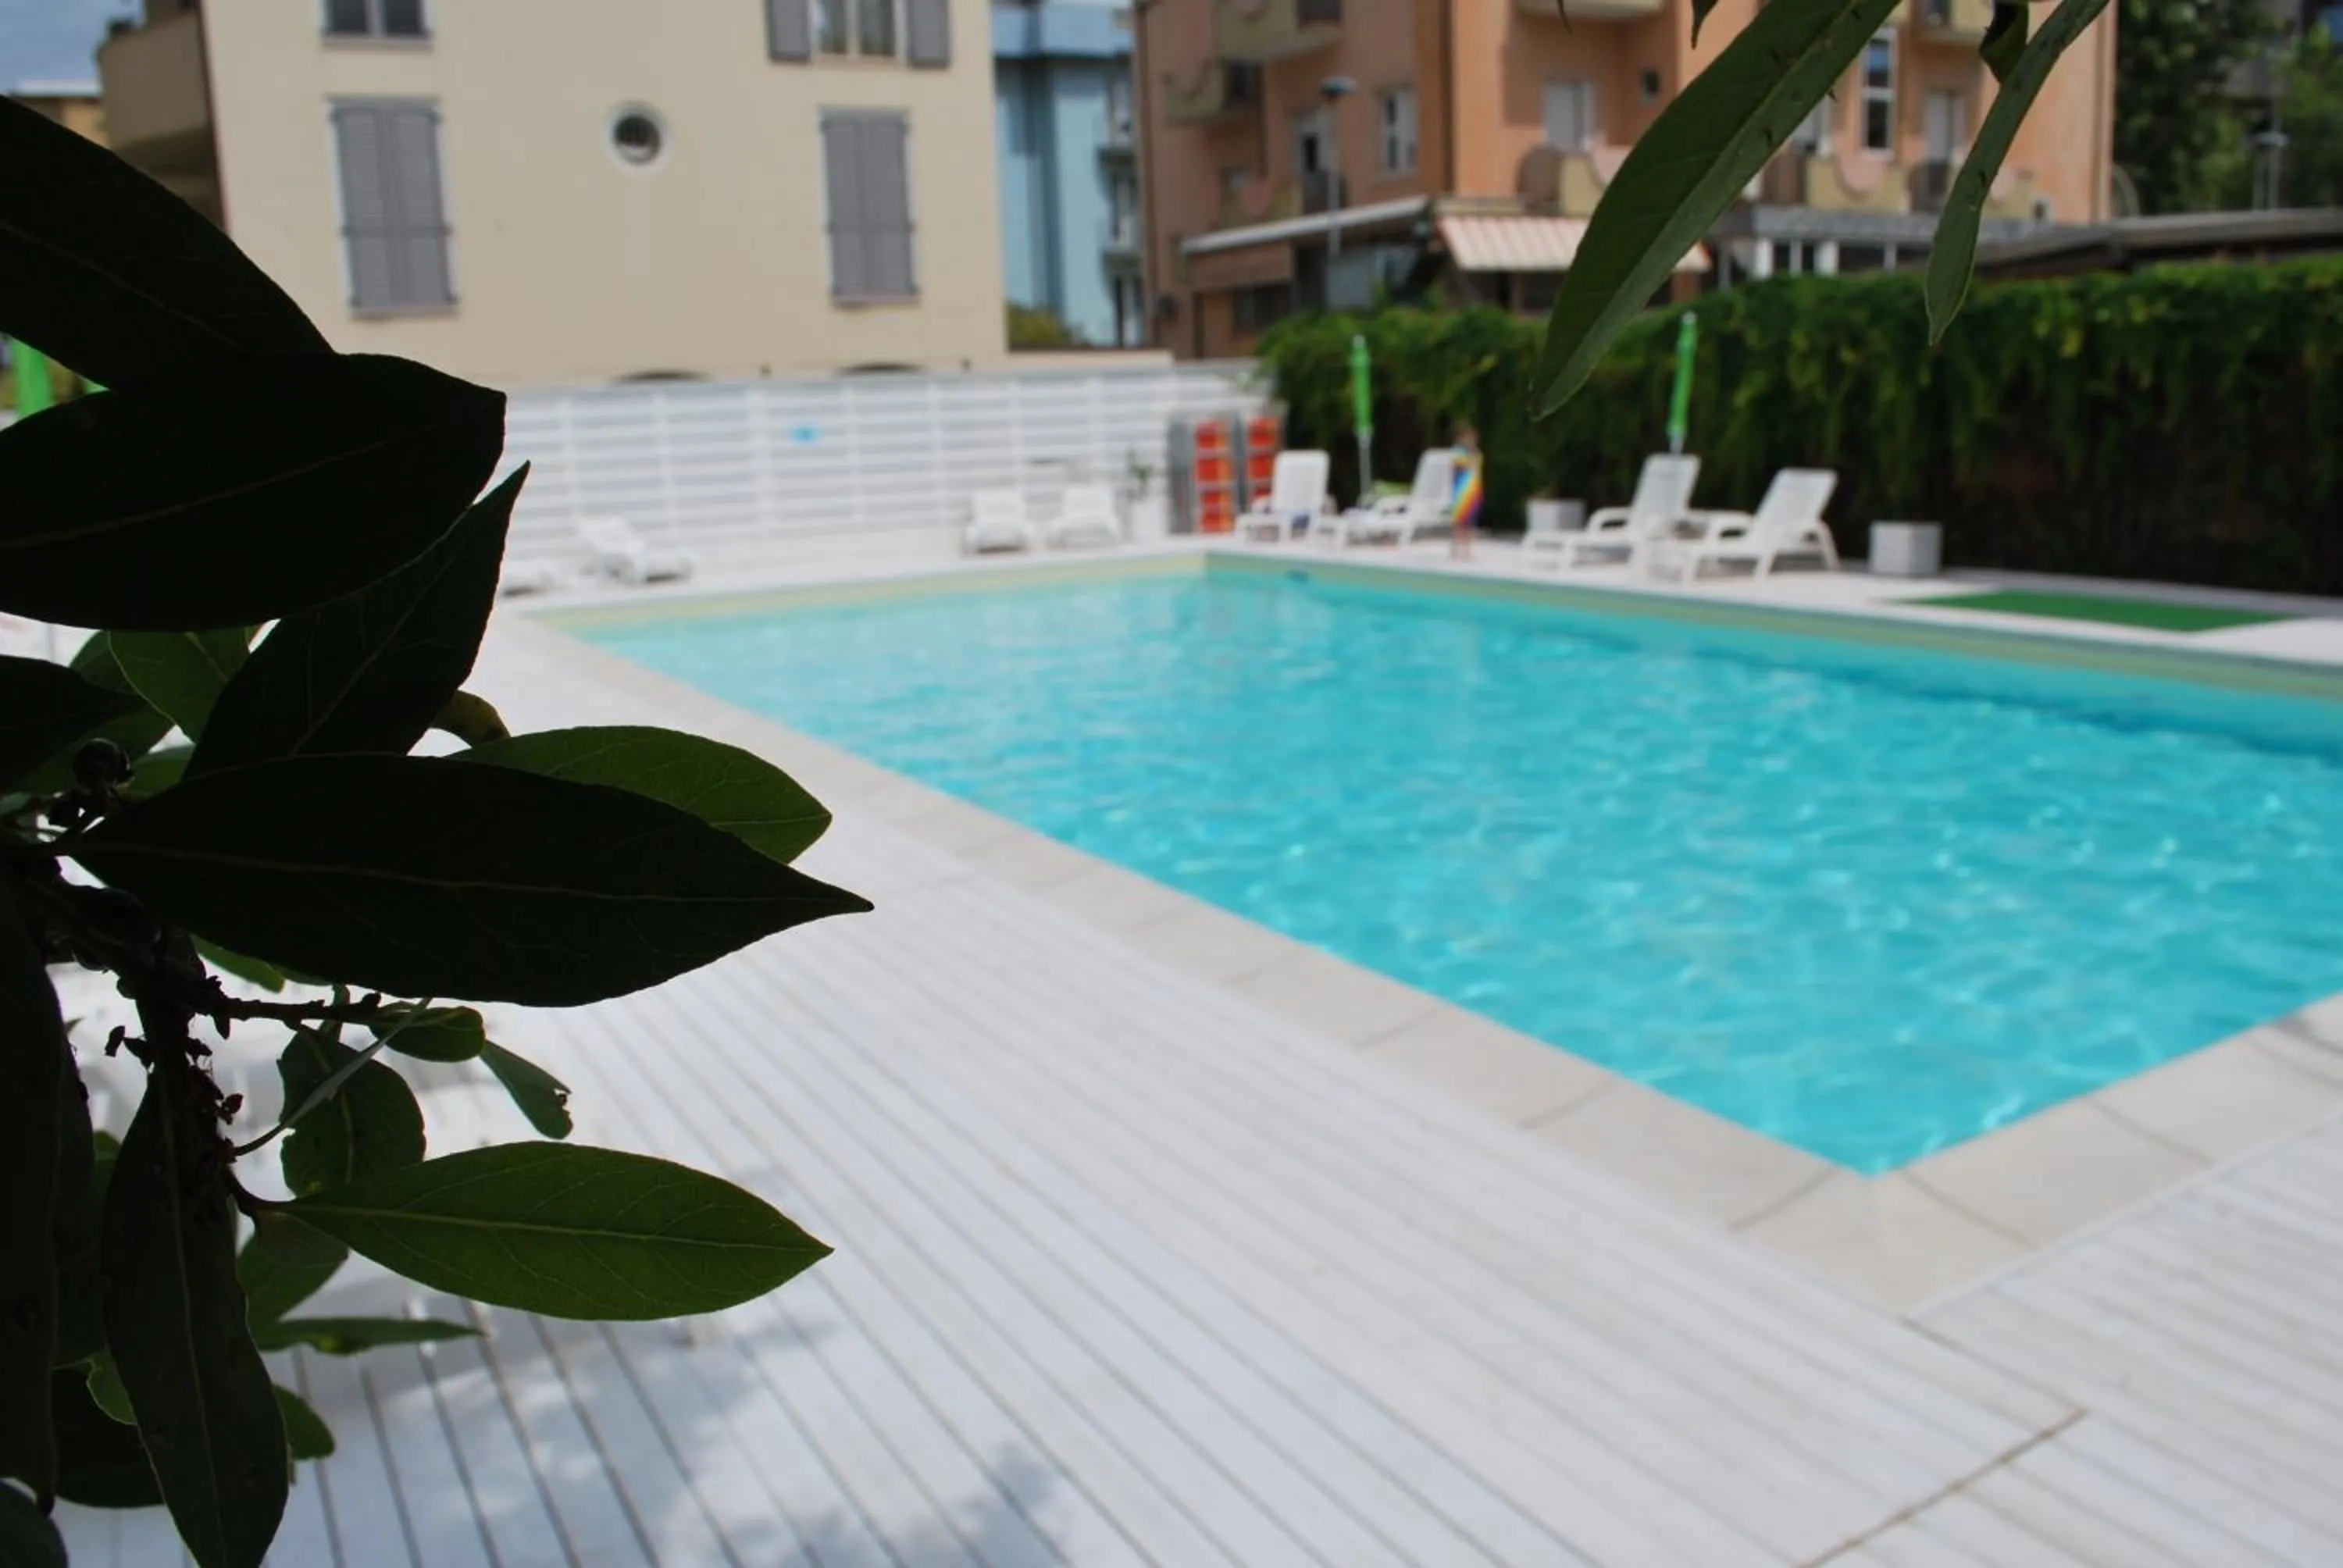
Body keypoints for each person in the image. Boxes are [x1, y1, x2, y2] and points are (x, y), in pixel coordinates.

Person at [1449, 424, 1485, 561]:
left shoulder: (1477, 453)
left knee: (1470, 522)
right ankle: (1455, 547)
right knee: (1459, 521)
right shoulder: (1457, 452)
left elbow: (1476, 470)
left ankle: (1467, 549)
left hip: (1473, 490)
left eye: (1473, 438)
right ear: (1461, 438)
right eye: (1468, 438)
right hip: (1460, 490)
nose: (1471, 440)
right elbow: (1458, 466)